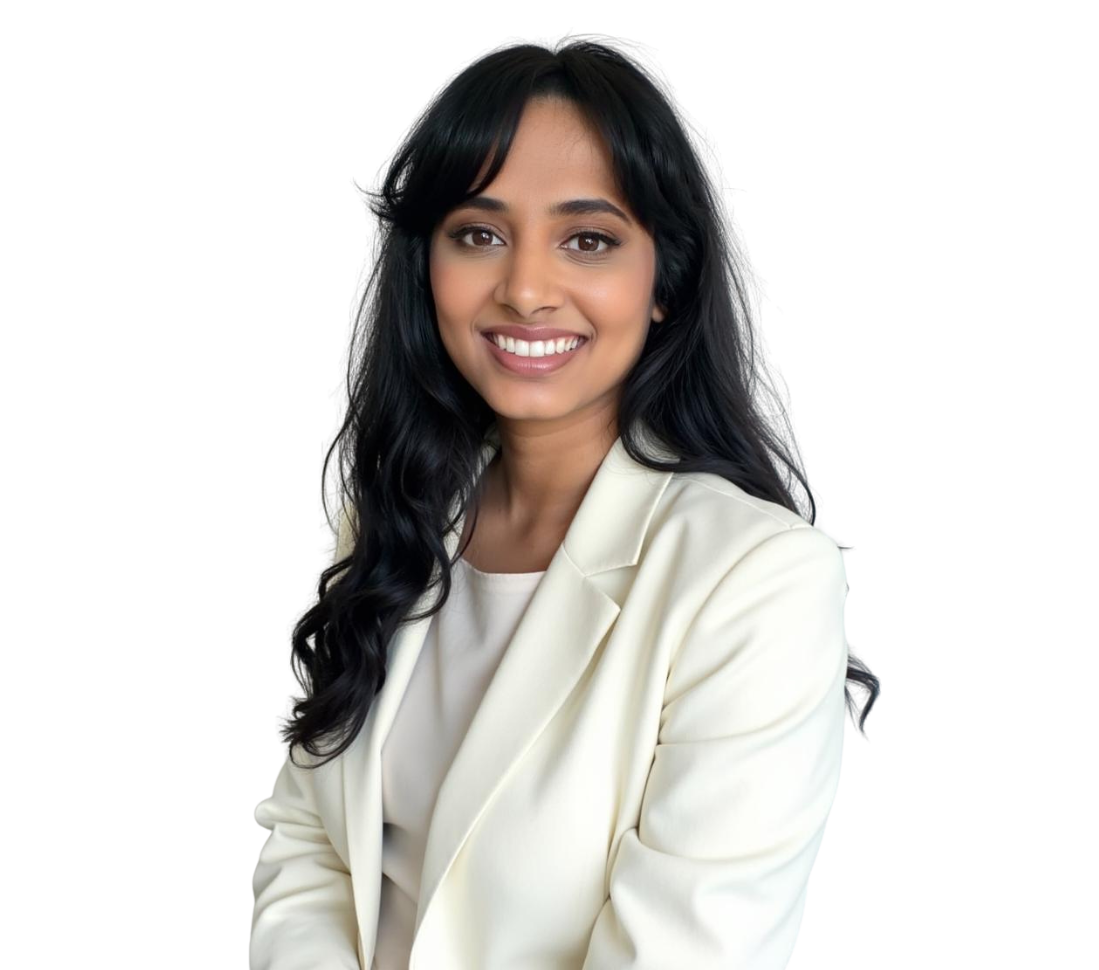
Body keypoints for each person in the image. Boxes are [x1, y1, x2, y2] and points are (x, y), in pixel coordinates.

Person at [251, 31, 879, 970]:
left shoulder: (756, 578)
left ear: (664, 278)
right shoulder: (388, 513)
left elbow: (689, 951)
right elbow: (309, 846)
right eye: (479, 234)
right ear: (428, 266)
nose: (527, 289)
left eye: (587, 239)